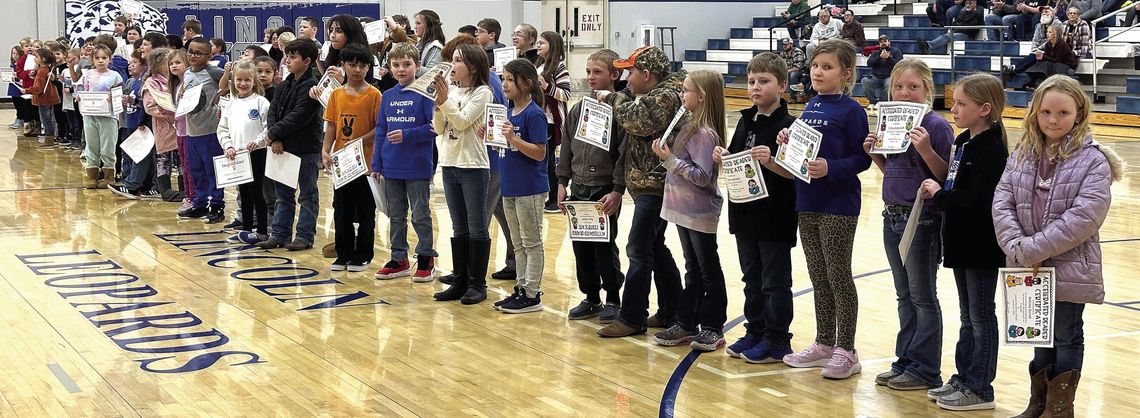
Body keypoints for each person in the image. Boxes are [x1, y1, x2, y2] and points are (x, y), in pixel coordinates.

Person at [995, 74, 1120, 418]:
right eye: (1046, 112)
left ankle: (1060, 409)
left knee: (1066, 334)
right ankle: (1038, 404)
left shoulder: (1093, 160)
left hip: (1069, 267)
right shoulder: (1022, 153)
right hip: (1027, 264)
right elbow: (1002, 201)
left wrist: (1032, 249)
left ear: (1078, 114)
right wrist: (1018, 247)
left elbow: (1085, 216)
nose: (1053, 120)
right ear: (1035, 112)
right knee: (1039, 335)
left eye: (1063, 113)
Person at [775, 39, 871, 380]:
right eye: (815, 65)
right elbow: (803, 153)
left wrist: (832, 168)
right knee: (818, 275)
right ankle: (824, 343)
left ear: (845, 74)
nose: (817, 71)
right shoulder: (812, 104)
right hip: (808, 201)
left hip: (838, 204)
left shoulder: (852, 111)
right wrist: (788, 141)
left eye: (827, 67)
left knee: (838, 276)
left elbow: (863, 158)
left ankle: (848, 349)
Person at [863, 59, 954, 391]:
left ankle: (926, 368)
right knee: (904, 296)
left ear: (927, 90)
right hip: (892, 215)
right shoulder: (892, 124)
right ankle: (906, 360)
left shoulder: (937, 126)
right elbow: (895, 173)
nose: (904, 93)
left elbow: (945, 177)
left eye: (913, 87)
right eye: (898, 86)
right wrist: (875, 154)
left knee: (922, 296)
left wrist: (926, 148)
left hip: (923, 217)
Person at [919, 73, 1008, 411]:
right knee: (968, 316)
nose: (953, 109)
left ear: (985, 109)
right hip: (959, 241)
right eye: (953, 102)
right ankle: (963, 376)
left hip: (981, 244)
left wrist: (941, 196)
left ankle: (981, 387)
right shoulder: (962, 141)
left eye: (961, 104)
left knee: (982, 316)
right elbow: (954, 184)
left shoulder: (992, 150)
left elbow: (978, 201)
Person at [595, 46, 684, 337]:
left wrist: (613, 97)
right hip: (647, 184)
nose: (626, 78)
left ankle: (633, 317)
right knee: (654, 248)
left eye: (630, 72)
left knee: (637, 247)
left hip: (658, 185)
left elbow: (638, 121)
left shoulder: (666, 95)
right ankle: (674, 311)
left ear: (646, 74)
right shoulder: (654, 93)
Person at [714, 53, 798, 362]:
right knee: (751, 277)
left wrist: (771, 161)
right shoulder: (745, 120)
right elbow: (738, 160)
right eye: (752, 82)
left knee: (775, 281)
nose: (755, 88)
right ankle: (756, 330)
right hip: (744, 212)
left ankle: (777, 339)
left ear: (782, 85)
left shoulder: (790, 125)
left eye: (764, 82)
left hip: (775, 214)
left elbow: (794, 173)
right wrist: (724, 156)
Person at [649, 70, 728, 351]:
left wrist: (669, 159)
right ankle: (687, 322)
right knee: (693, 268)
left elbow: (702, 176)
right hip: (683, 210)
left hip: (699, 211)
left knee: (707, 270)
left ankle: (713, 326)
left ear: (702, 96)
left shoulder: (705, 134)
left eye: (686, 91)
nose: (682, 96)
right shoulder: (690, 125)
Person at [557, 49, 627, 323]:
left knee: (604, 247)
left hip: (603, 188)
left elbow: (624, 153)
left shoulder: (620, 110)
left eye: (597, 72)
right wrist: (562, 181)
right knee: (581, 246)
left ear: (614, 75)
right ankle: (591, 297)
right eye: (588, 72)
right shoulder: (578, 109)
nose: (591, 77)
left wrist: (618, 189)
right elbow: (566, 148)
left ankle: (612, 297)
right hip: (579, 186)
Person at [371, 42, 439, 282]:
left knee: (420, 214)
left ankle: (425, 257)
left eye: (407, 64)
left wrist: (408, 135)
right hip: (390, 166)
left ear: (418, 66)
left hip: (417, 165)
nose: (401, 69)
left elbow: (435, 127)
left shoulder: (426, 94)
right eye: (396, 65)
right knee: (396, 216)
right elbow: (380, 130)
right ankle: (399, 258)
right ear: (389, 67)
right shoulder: (387, 96)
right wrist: (376, 164)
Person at [431, 43, 494, 300]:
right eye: (453, 60)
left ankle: (477, 284)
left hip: (473, 165)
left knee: (477, 226)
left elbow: (462, 121)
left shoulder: (483, 92)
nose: (452, 66)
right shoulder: (453, 90)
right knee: (459, 227)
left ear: (473, 67)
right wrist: (437, 107)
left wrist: (445, 102)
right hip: (449, 163)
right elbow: (439, 129)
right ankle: (460, 280)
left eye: (458, 61)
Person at [489, 59, 550, 313]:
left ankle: (532, 293)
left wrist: (513, 138)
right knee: (518, 243)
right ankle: (522, 287)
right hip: (511, 186)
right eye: (503, 78)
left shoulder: (534, 114)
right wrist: (495, 139)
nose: (505, 84)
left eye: (510, 79)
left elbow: (539, 153)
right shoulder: (508, 111)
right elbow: (508, 147)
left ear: (526, 83)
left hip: (530, 187)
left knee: (532, 242)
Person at [256, 38, 323, 251]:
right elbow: (273, 112)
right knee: (283, 195)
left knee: (307, 195)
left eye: (293, 57)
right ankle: (280, 234)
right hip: (282, 147)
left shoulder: (312, 86)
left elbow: (298, 116)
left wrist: (272, 135)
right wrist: (274, 138)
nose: (287, 60)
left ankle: (304, 236)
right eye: (288, 55)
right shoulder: (284, 84)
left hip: (305, 148)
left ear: (307, 61)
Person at [320, 44, 382, 272]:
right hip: (342, 163)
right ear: (343, 65)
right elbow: (332, 125)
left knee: (365, 211)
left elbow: (379, 127)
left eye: (362, 65)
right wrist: (325, 149)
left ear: (368, 67)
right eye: (352, 64)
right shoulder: (336, 95)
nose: (357, 70)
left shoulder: (374, 94)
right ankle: (343, 252)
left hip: (364, 163)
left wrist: (361, 141)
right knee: (342, 210)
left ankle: (364, 254)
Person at [218, 60, 271, 244]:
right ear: (233, 81)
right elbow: (223, 128)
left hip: (256, 154)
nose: (243, 83)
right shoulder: (230, 104)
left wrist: (257, 142)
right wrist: (228, 146)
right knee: (244, 193)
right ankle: (247, 230)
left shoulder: (261, 102)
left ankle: (262, 231)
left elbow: (268, 127)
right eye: (239, 80)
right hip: (237, 156)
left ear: (254, 81)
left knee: (257, 193)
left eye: (247, 80)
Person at [175, 37, 227, 223]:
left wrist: (221, 97)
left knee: (212, 170)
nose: (192, 55)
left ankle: (217, 206)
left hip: (210, 130)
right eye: (190, 51)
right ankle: (200, 203)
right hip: (191, 131)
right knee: (195, 169)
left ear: (209, 55)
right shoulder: (188, 72)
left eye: (198, 53)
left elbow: (231, 84)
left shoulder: (214, 72)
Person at [109, 49, 158, 198]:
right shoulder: (132, 81)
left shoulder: (146, 81)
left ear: (144, 65)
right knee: (130, 155)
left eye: (134, 63)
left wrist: (134, 101)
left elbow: (144, 103)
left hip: (141, 124)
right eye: (129, 63)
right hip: (130, 123)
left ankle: (134, 185)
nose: (130, 66)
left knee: (142, 155)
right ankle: (129, 181)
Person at [75, 45, 123, 189]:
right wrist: (79, 97)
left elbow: (120, 93)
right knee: (92, 145)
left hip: (108, 116)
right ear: (92, 59)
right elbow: (81, 89)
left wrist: (112, 96)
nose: (100, 61)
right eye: (97, 58)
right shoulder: (88, 74)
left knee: (108, 146)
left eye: (104, 58)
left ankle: (109, 176)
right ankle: (92, 176)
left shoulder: (115, 76)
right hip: (90, 115)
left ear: (110, 59)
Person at [535, 31, 571, 213]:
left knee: (549, 160)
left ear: (553, 45)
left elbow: (566, 94)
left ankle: (556, 198)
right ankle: (548, 195)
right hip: (539, 117)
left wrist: (546, 87)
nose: (538, 45)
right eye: (538, 42)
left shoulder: (559, 67)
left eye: (542, 43)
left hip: (551, 119)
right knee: (543, 159)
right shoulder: (539, 65)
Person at [140, 48, 181, 202]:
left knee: (182, 158)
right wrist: (167, 112)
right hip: (164, 125)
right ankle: (165, 189)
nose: (171, 66)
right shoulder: (151, 82)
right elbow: (149, 106)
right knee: (163, 158)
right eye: (168, 63)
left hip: (180, 124)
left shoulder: (177, 78)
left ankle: (184, 189)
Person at [1002, 6, 1065, 81]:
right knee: (1034, 55)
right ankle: (1013, 70)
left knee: (1034, 56)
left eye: (1046, 12)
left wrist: (1038, 49)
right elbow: (1035, 39)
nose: (1044, 14)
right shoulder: (1039, 25)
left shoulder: (1057, 24)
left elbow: (1052, 40)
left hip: (1053, 49)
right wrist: (1034, 49)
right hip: (1041, 49)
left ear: (1053, 14)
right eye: (1042, 12)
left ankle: (1013, 69)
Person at [918, 0, 984, 55]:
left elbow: (971, 28)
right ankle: (928, 47)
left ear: (975, 3)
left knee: (947, 36)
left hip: (967, 35)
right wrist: (958, 27)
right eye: (967, 3)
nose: (968, 5)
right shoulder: (963, 12)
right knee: (947, 35)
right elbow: (955, 23)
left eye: (970, 3)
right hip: (959, 32)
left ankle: (928, 45)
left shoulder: (978, 14)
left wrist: (958, 28)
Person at [1024, 25, 1077, 90]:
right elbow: (1048, 57)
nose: (1047, 34)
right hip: (1055, 64)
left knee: (1045, 64)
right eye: (1047, 32)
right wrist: (1042, 57)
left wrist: (1043, 56)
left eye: (1050, 32)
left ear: (1056, 34)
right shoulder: (1048, 44)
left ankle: (1038, 85)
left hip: (1066, 66)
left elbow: (1059, 59)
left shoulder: (1062, 45)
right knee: (1040, 63)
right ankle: (1032, 82)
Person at [27, 48, 61, 149]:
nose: (34, 59)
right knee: (49, 119)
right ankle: (50, 138)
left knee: (46, 120)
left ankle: (49, 140)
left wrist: (27, 90)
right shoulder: (45, 69)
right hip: (49, 98)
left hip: (44, 99)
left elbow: (38, 89)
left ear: (43, 59)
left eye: (36, 57)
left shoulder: (42, 71)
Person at [861, 35, 902, 114]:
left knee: (889, 83)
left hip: (889, 76)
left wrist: (889, 58)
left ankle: (881, 102)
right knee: (864, 81)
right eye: (881, 42)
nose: (883, 43)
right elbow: (869, 63)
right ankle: (872, 102)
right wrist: (879, 57)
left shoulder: (896, 52)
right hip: (876, 77)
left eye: (885, 41)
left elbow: (900, 64)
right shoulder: (876, 53)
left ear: (889, 42)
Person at [414, 10, 446, 76]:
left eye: (418, 23)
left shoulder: (435, 47)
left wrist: (412, 67)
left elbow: (433, 73)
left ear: (428, 26)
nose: (415, 27)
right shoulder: (419, 44)